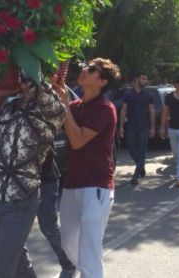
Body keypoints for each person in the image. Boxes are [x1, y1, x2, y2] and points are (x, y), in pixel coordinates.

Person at [0, 72, 66, 278]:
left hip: (22, 199)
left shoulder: (50, 112)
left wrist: (30, 73)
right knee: (19, 263)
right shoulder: (9, 108)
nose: (22, 84)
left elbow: (44, 95)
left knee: (1, 270)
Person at [52, 58, 120, 278]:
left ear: (101, 81)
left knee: (90, 251)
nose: (83, 70)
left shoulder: (105, 108)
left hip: (97, 186)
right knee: (68, 243)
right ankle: (92, 272)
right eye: (85, 67)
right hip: (72, 184)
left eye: (91, 70)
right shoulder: (73, 106)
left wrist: (64, 106)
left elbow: (78, 140)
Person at [118, 72, 155, 185]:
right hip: (131, 126)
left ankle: (136, 175)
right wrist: (121, 126)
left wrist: (152, 127)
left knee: (142, 150)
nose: (145, 81)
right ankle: (141, 165)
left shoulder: (148, 95)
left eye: (146, 79)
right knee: (132, 149)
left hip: (144, 126)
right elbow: (123, 110)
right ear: (137, 80)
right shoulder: (128, 94)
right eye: (143, 79)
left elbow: (152, 111)